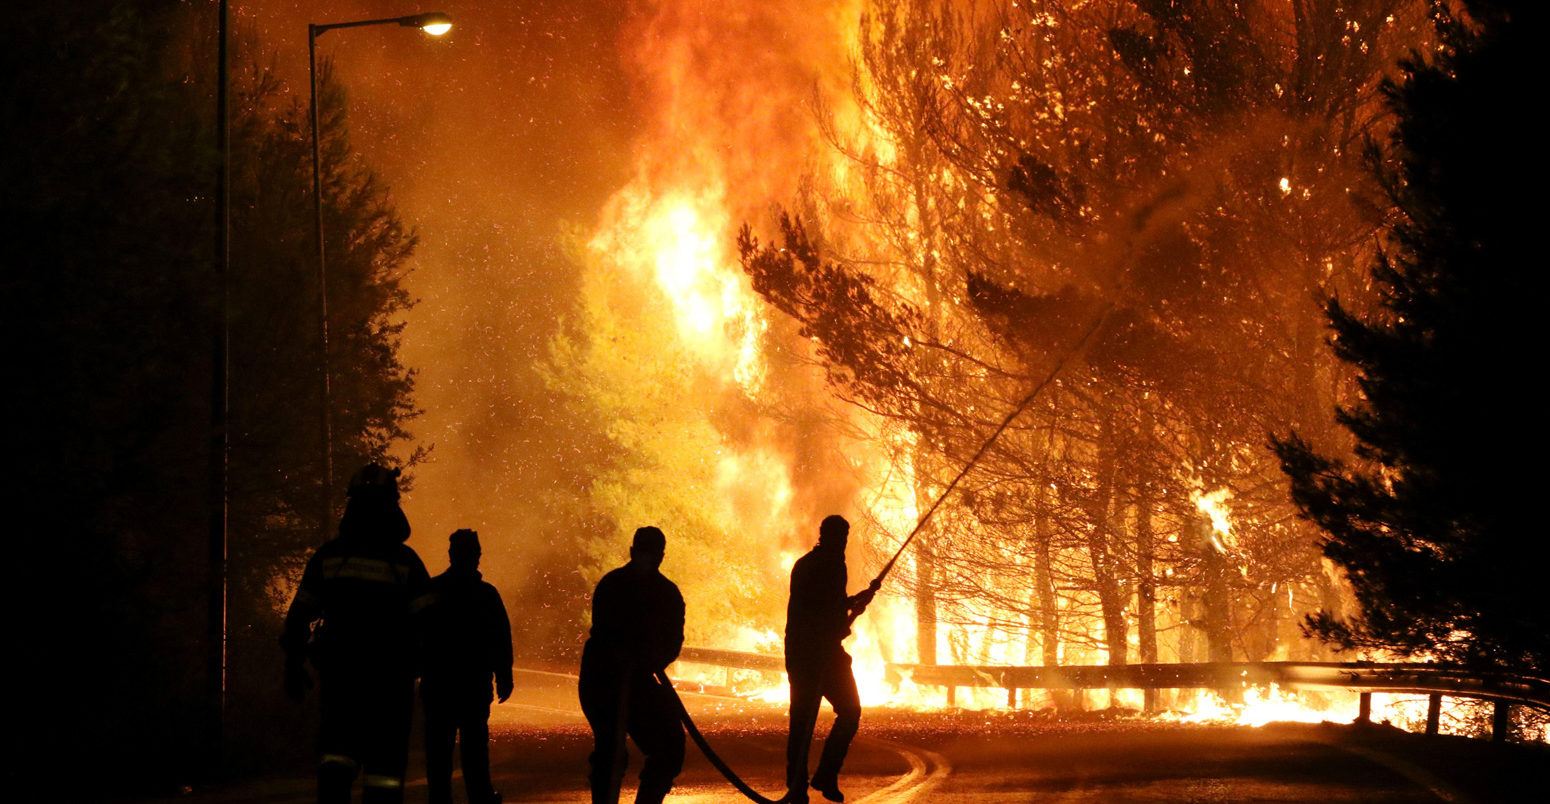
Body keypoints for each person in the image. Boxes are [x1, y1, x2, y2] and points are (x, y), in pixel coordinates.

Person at [281, 464, 431, 804]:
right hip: (390, 684)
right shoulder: (405, 561)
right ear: (393, 505)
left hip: (342, 680)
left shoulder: (330, 556)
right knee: (385, 773)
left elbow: (300, 615)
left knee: (336, 759)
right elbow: (430, 626)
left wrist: (293, 662)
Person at [577, 526, 686, 804]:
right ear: (632, 552)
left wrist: (651, 659)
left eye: (652, 554)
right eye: (643, 552)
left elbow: (673, 642)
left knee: (670, 747)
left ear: (661, 556)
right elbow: (604, 633)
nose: (648, 559)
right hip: (602, 679)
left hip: (638, 680)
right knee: (611, 751)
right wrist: (627, 656)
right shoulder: (613, 586)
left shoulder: (667, 594)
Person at [785, 515, 877, 804]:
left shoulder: (811, 564)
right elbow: (826, 616)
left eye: (844, 539)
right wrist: (850, 612)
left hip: (810, 651)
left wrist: (851, 604)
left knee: (814, 718)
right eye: (840, 538)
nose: (843, 544)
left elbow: (830, 607)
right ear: (828, 537)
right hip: (810, 655)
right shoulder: (830, 566)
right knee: (835, 714)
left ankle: (806, 783)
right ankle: (812, 781)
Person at [420, 529, 515, 804]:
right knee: (474, 748)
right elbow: (501, 639)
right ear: (477, 556)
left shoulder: (433, 590)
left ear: (451, 555)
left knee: (439, 749)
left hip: (439, 685)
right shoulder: (486, 594)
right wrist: (504, 676)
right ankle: (481, 796)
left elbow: (416, 633)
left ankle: (440, 798)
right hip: (473, 685)